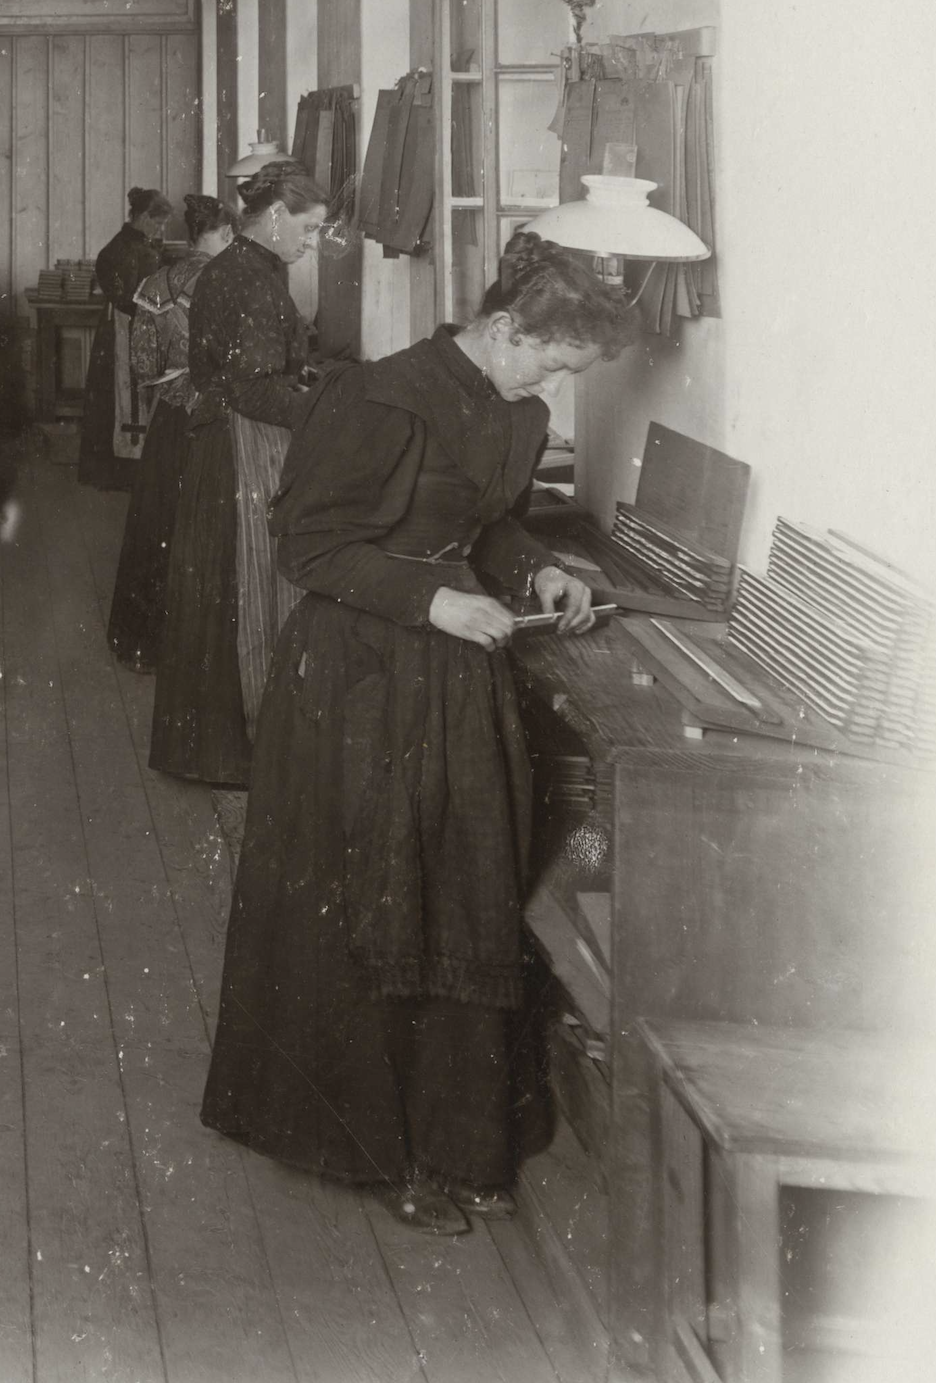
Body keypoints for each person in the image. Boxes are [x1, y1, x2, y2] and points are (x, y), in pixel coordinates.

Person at [200, 232, 629, 1234]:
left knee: (455, 884)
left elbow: (484, 528)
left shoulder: (515, 410)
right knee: (377, 891)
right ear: (503, 325)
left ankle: (447, 1141)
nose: (556, 394)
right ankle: (369, 1144)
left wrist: (535, 569)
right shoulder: (380, 396)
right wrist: (431, 602)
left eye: (573, 378)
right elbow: (307, 544)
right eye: (554, 365)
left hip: (447, 674)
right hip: (358, 669)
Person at [147, 163, 327, 786]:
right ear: (276, 217)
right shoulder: (252, 279)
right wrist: (331, 405)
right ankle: (239, 754)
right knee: (246, 596)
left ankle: (205, 751)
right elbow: (254, 390)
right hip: (239, 450)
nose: (312, 241)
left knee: (217, 598)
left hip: (215, 447)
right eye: (309, 228)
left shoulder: (238, 269)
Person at [103, 193, 237, 672]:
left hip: (171, 421)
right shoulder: (233, 279)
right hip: (219, 421)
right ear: (225, 234)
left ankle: (143, 645)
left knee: (158, 523)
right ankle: (200, 652)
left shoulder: (156, 281)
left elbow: (143, 364)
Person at [79, 188, 174, 491]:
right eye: (158, 224)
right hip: (121, 333)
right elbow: (123, 297)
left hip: (141, 329)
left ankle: (137, 470)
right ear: (144, 217)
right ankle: (119, 474)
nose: (160, 231)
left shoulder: (144, 246)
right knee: (117, 402)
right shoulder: (115, 252)